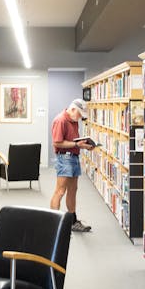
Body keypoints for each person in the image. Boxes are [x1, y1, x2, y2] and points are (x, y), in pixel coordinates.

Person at [50, 99, 94, 232]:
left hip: (74, 158)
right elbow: (57, 143)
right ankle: (53, 223)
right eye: (80, 114)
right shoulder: (60, 120)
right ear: (73, 109)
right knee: (60, 191)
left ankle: (72, 221)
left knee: (73, 191)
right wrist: (76, 145)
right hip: (65, 158)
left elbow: (74, 140)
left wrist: (85, 146)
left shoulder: (73, 121)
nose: (80, 118)